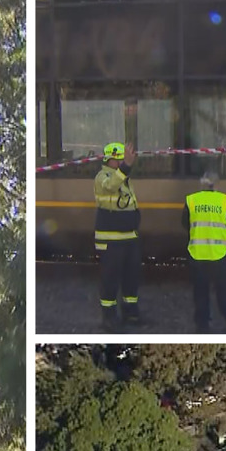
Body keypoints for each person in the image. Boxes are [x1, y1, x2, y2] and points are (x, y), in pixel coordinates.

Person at [181, 170, 226, 333]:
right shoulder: (225, 201)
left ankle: (202, 326)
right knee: (224, 293)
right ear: (216, 184)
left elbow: (185, 223)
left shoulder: (191, 200)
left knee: (201, 293)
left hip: (197, 255)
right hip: (219, 255)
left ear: (202, 184)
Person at [94, 142, 142, 332]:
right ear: (110, 159)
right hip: (110, 240)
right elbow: (111, 186)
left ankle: (131, 312)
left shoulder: (123, 177)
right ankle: (109, 317)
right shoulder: (103, 177)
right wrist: (126, 166)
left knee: (132, 277)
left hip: (129, 237)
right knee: (110, 279)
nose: (122, 161)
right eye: (120, 159)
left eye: (124, 159)